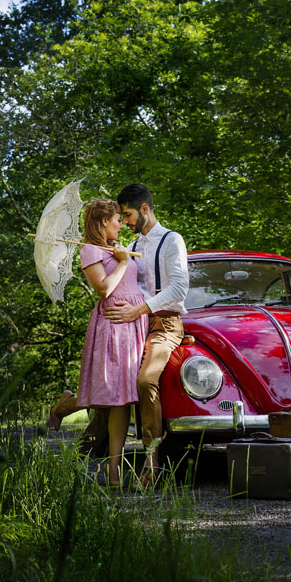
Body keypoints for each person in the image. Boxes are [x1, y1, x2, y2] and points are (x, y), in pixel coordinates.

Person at [103, 183, 188, 487]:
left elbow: (179, 288)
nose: (124, 221)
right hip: (134, 325)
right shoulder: (132, 245)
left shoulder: (172, 240)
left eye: (127, 215)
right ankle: (90, 446)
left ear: (144, 209)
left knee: (144, 380)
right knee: (111, 382)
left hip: (165, 324)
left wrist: (139, 310)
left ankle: (151, 464)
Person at [60, 199, 149, 486]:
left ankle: (115, 468)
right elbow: (104, 288)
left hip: (135, 321)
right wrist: (123, 262)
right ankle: (113, 471)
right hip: (114, 324)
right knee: (115, 397)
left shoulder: (118, 247)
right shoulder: (89, 250)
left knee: (125, 398)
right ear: (102, 223)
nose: (121, 224)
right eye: (116, 220)